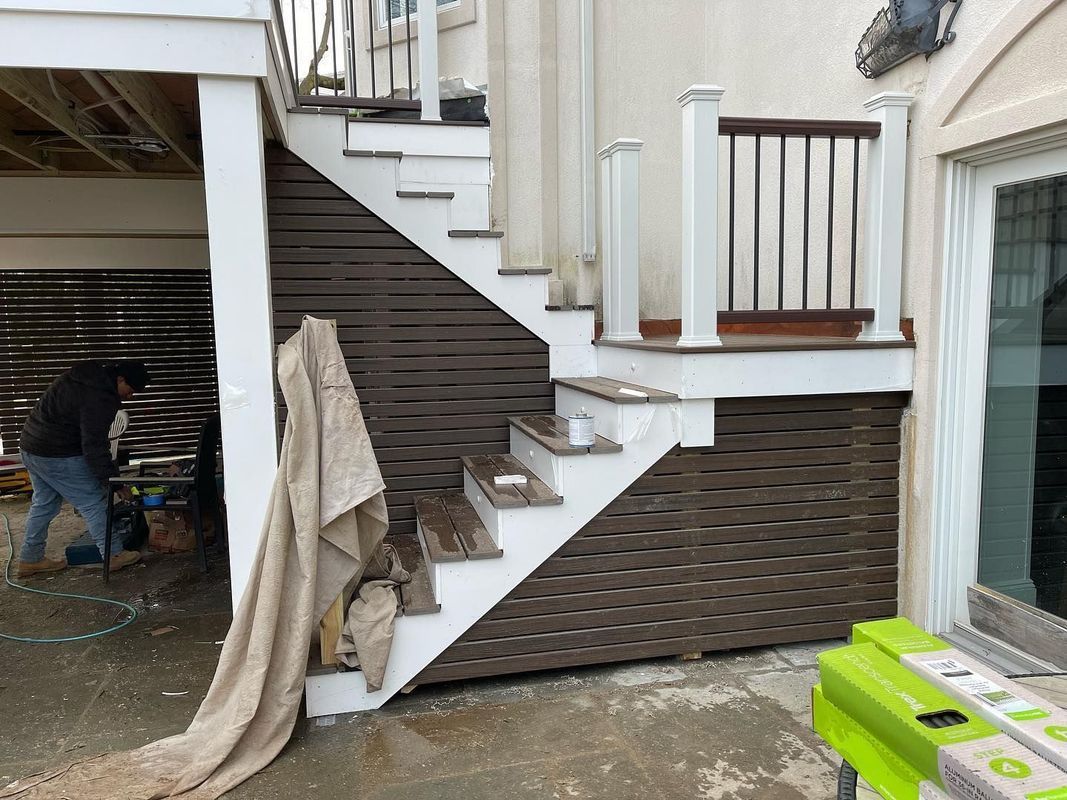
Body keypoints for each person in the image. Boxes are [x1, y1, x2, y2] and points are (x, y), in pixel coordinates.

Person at [16, 360, 151, 577]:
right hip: (56, 452)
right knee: (93, 502)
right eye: (131, 390)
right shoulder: (100, 398)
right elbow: (94, 446)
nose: (130, 396)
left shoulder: (83, 377)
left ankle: (30, 559)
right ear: (120, 379)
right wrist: (113, 483)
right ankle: (114, 555)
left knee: (44, 504)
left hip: (31, 446)